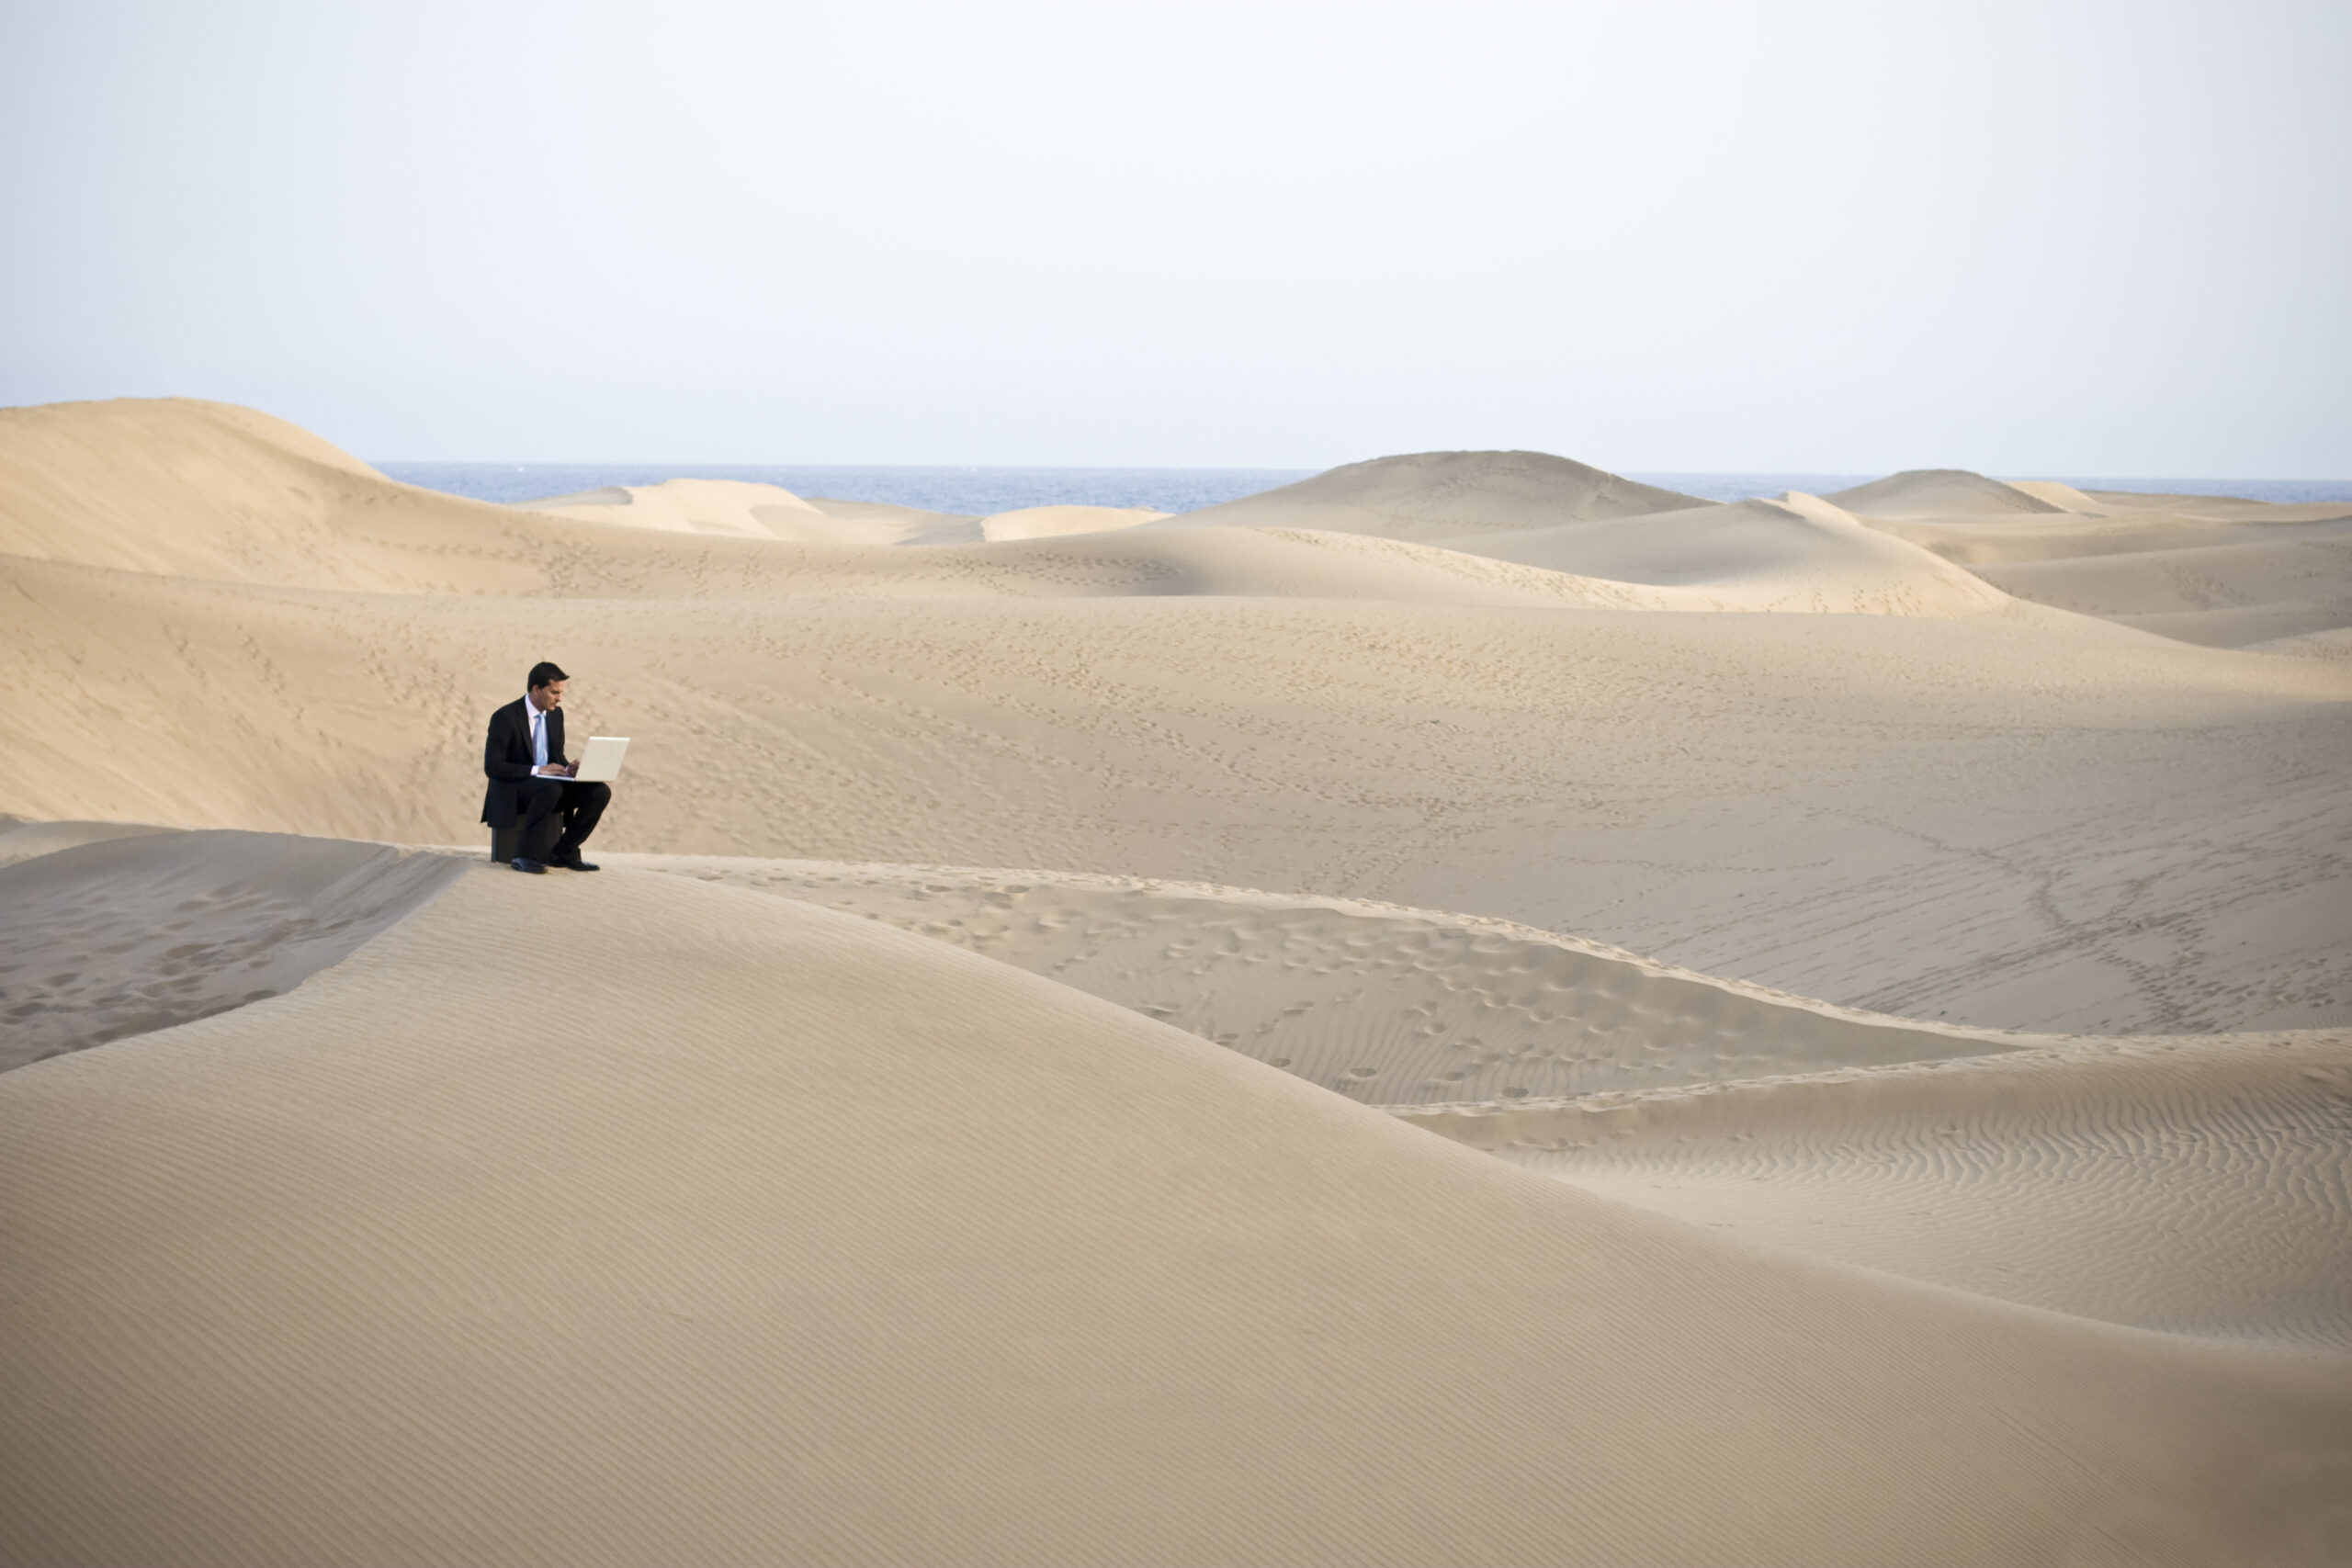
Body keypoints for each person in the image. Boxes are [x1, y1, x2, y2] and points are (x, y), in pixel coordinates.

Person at [481, 661, 611, 874]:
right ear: (536, 689)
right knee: (550, 789)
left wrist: (569, 768)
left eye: (560, 692)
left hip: (549, 786)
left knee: (599, 791)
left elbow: (556, 756)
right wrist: (537, 770)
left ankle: (564, 852)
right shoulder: (504, 717)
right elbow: (493, 767)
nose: (559, 698)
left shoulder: (555, 715)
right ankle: (524, 855)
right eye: (554, 692)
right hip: (514, 788)